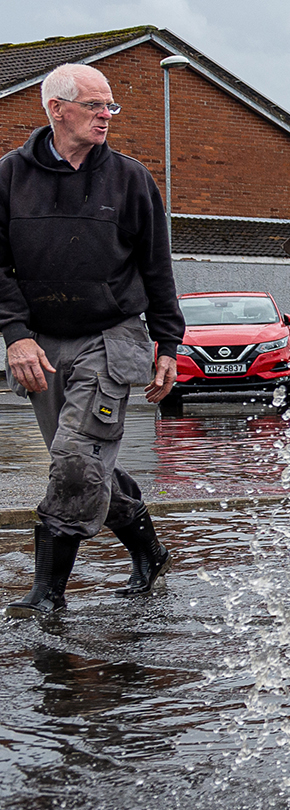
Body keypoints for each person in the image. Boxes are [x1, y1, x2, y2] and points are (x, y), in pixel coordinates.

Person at [1, 63, 183, 616]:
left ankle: (47, 595)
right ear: (58, 109)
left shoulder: (130, 179)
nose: (107, 115)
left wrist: (168, 345)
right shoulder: (9, 176)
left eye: (111, 107)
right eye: (95, 105)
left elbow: (157, 268)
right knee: (80, 461)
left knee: (78, 458)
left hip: (111, 336)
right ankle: (150, 553)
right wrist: (14, 335)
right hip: (40, 346)